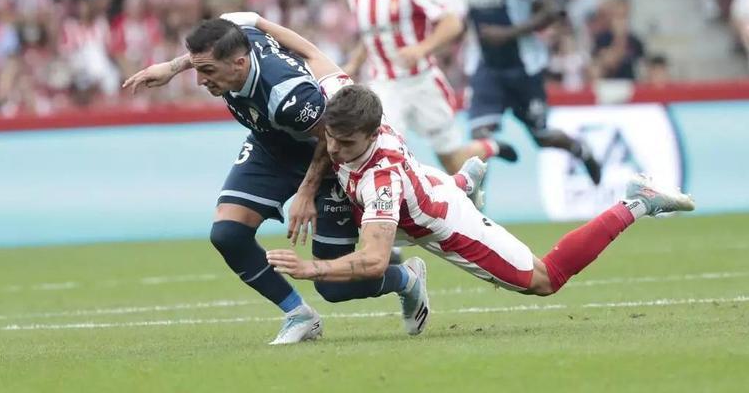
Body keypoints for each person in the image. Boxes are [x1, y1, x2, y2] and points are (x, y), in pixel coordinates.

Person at [122, 14, 486, 343]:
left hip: (324, 160)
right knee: (227, 234)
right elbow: (219, 41)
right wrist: (172, 67)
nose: (200, 80)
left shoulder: (289, 96)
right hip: (270, 147)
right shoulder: (235, 43)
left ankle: (406, 279)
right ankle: (299, 315)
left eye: (208, 73)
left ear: (240, 63)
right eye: (198, 70)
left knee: (333, 287)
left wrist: (307, 191)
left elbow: (331, 138)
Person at [266, 85, 696, 335]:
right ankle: (465, 180)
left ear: (372, 133)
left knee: (545, 280)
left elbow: (375, 259)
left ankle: (636, 200)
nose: (334, 149)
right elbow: (314, 56)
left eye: (345, 142)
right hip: (421, 188)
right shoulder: (354, 116)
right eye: (330, 138)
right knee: (397, 212)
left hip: (440, 223)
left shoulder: (381, 179)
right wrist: (257, 21)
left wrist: (313, 270)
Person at [344, 0, 518, 178]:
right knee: (384, 154)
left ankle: (488, 147)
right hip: (384, 87)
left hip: (422, 82)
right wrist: (351, 66)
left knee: (453, 162)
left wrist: (421, 48)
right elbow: (369, 37)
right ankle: (399, 213)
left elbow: (452, 22)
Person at [451, 0, 602, 185]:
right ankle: (473, 215)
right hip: (488, 68)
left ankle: (581, 149)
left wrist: (508, 33)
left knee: (542, 137)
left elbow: (550, 10)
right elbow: (469, 15)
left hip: (524, 67)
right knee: (478, 138)